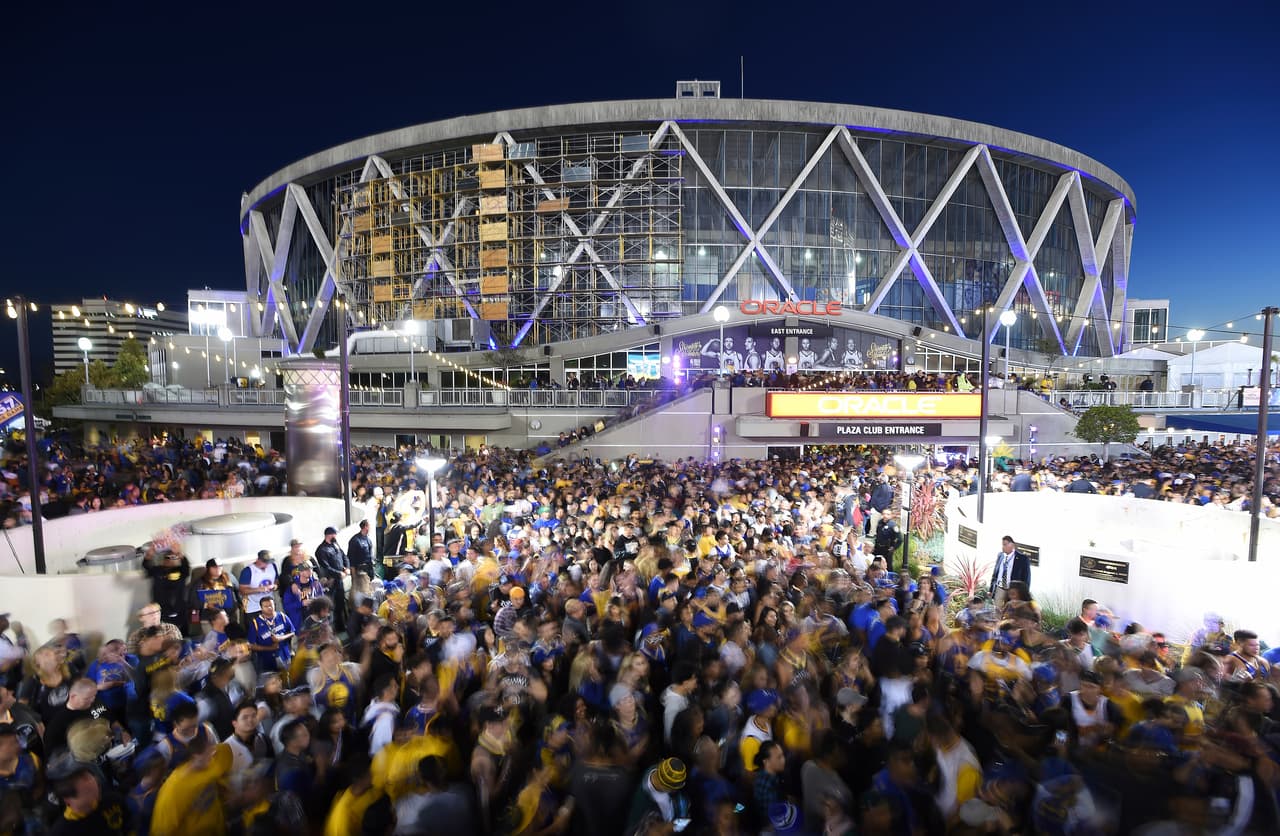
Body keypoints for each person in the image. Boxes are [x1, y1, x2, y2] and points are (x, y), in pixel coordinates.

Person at [315, 527, 351, 632]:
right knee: (330, 607)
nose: (336, 536)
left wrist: (346, 567)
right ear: (329, 535)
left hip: (339, 580)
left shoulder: (335, 545)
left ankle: (341, 627)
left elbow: (344, 556)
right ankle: (331, 630)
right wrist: (338, 573)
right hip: (330, 582)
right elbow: (326, 567)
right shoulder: (321, 550)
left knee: (340, 604)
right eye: (335, 534)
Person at [988, 535, 1031, 607]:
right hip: (1000, 588)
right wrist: (991, 589)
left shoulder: (1022, 558)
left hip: (1013, 590)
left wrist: (1024, 594)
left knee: (1010, 610)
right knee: (997, 609)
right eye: (1002, 545)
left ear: (1012, 545)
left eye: (1005, 544)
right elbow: (995, 574)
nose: (1003, 547)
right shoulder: (1000, 555)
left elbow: (1026, 578)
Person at [238, 550, 279, 619]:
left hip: (269, 605)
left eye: (268, 562)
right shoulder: (248, 571)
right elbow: (242, 591)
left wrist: (275, 586)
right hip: (253, 608)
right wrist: (259, 589)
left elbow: (276, 581)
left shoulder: (272, 566)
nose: (266, 565)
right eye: (264, 562)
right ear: (258, 560)